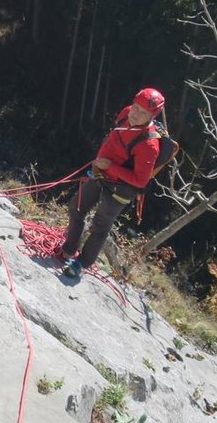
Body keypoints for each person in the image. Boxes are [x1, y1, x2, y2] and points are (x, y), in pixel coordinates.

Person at [60, 87, 166, 279]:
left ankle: (81, 263)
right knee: (77, 207)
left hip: (121, 188)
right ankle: (68, 249)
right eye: (135, 107)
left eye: (143, 113)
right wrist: (101, 165)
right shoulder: (126, 114)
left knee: (100, 226)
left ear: (152, 116)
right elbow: (112, 141)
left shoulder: (149, 145)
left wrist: (110, 166)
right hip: (101, 174)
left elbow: (140, 180)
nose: (135, 114)